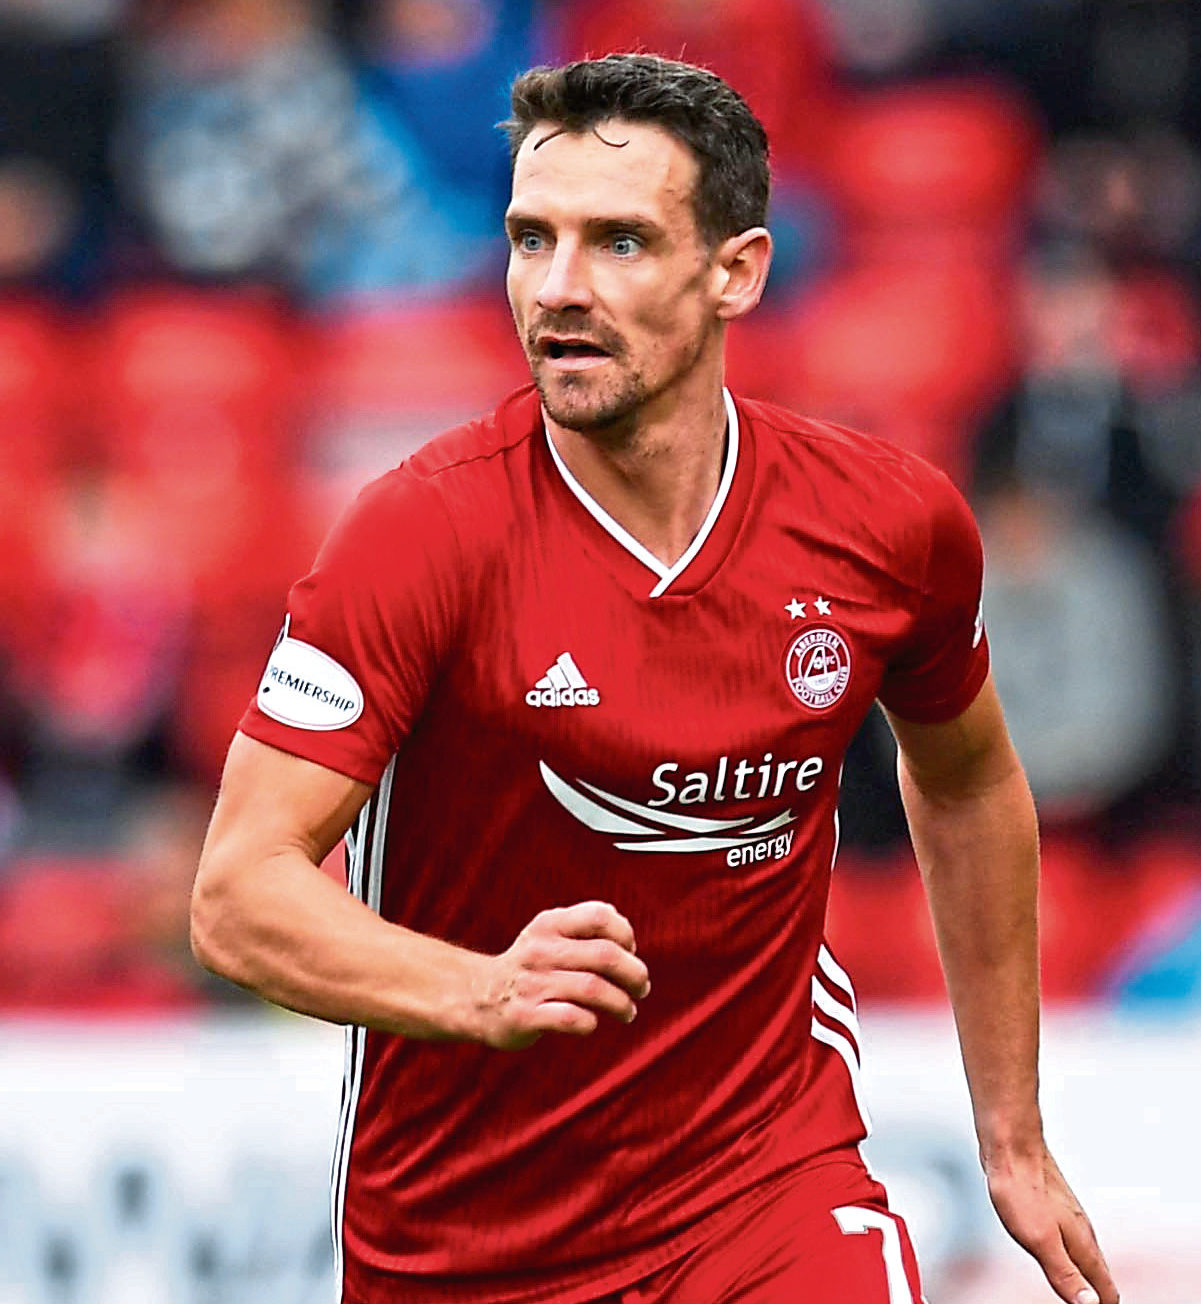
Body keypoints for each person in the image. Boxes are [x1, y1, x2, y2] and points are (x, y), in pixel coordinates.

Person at [191, 53, 1117, 1304]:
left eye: (618, 242)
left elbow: (967, 780)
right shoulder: (419, 535)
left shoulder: (886, 525)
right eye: (532, 240)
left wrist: (1010, 1133)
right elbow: (238, 894)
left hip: (765, 1187)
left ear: (734, 269)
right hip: (464, 1241)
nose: (558, 288)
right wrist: (480, 986)